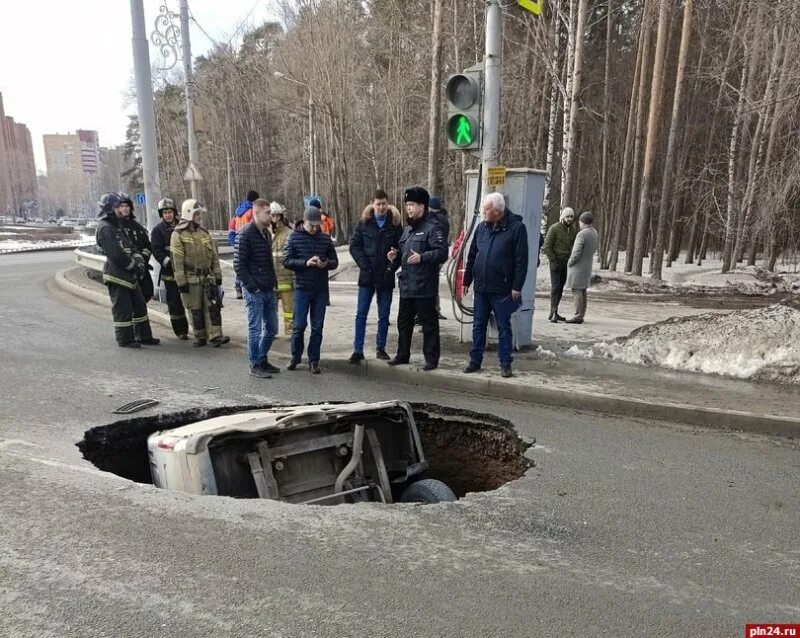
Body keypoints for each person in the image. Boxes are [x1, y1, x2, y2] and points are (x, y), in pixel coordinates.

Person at [462, 192, 528, 378]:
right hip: (481, 288)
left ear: (498, 211)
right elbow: (473, 255)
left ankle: (505, 363)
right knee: (478, 325)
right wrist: (467, 280)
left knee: (503, 327)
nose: (483, 212)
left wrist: (517, 286)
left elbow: (521, 260)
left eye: (486, 209)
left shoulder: (516, 229)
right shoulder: (482, 228)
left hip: (503, 289)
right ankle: (475, 360)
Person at [386, 186, 447, 371]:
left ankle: (431, 358)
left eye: (412, 204)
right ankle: (402, 354)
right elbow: (403, 252)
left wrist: (423, 257)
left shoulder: (433, 227)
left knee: (429, 325)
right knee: (403, 323)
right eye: (407, 205)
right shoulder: (408, 229)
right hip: (407, 286)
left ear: (422, 206)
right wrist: (395, 256)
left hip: (424, 286)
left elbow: (442, 253)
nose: (409, 208)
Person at [95, 192, 160, 348]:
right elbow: (116, 254)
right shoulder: (105, 229)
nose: (121, 210)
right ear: (110, 209)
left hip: (130, 276)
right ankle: (125, 339)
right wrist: (133, 266)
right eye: (118, 206)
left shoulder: (116, 227)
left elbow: (131, 246)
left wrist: (139, 262)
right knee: (123, 309)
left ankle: (143, 335)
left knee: (139, 306)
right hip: (117, 276)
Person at [348, 189, 402, 363]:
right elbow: (354, 246)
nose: (381, 207)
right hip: (367, 276)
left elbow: (401, 250)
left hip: (385, 276)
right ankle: (358, 350)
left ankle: (381, 348)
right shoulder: (364, 222)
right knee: (361, 314)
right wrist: (364, 265)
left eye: (384, 203)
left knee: (384, 315)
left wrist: (391, 267)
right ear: (372, 204)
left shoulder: (394, 224)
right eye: (378, 204)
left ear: (388, 203)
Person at [283, 206, 338, 373]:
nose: (315, 228)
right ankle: (295, 357)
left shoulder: (324, 238)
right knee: (299, 326)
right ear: (304, 221)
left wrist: (325, 264)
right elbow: (286, 261)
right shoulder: (294, 237)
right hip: (301, 288)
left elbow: (334, 262)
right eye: (311, 225)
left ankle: (314, 360)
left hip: (320, 289)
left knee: (317, 327)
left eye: (317, 225)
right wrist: (305, 263)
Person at [171, 199, 230, 347]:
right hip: (190, 279)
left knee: (213, 307)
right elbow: (176, 261)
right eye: (197, 214)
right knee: (195, 309)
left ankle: (216, 335)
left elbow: (214, 257)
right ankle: (200, 336)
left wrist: (217, 275)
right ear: (189, 214)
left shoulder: (204, 233)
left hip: (207, 278)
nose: (199, 217)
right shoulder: (178, 234)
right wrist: (181, 282)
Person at [234, 199, 280, 378]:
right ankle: (255, 364)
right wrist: (252, 287)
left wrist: (273, 284)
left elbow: (269, 263)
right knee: (255, 329)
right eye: (267, 212)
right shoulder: (246, 233)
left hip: (268, 288)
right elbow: (238, 264)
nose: (271, 215)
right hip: (255, 291)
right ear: (257, 213)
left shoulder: (266, 234)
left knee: (272, 328)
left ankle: (262, 358)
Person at [150, 197, 190, 340]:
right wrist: (170, 263)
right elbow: (156, 250)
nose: (168, 215)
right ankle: (181, 331)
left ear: (174, 212)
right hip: (169, 274)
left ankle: (198, 328)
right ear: (161, 214)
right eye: (165, 212)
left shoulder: (183, 226)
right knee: (175, 303)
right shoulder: (157, 231)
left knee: (192, 301)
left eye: (170, 212)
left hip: (187, 271)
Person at [116, 192, 154, 302]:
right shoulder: (115, 227)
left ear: (131, 207)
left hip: (142, 269)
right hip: (125, 272)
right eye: (122, 206)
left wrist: (142, 259)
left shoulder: (138, 227)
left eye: (126, 206)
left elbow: (147, 246)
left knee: (145, 295)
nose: (124, 209)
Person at [542, 206, 578, 322]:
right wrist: (553, 260)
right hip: (556, 263)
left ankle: (555, 311)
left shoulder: (573, 230)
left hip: (566, 263)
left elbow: (574, 245)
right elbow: (547, 246)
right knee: (555, 288)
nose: (569, 219)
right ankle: (553, 312)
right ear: (563, 217)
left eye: (571, 217)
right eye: (567, 216)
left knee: (561, 288)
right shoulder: (554, 228)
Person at [566, 211, 599, 324]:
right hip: (587, 264)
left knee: (577, 290)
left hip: (578, 266)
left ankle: (578, 315)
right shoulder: (594, 232)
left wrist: (570, 262)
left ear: (583, 222)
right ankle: (581, 314)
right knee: (583, 290)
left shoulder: (582, 234)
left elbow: (577, 251)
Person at [268, 201, 294, 335]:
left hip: (286, 278)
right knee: (271, 310)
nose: (275, 219)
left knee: (289, 309)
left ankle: (290, 331)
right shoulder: (265, 233)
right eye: (272, 216)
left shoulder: (289, 234)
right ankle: (271, 331)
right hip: (270, 280)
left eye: (277, 216)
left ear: (281, 216)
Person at [228, 190, 259, 299]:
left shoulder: (238, 213)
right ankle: (246, 287)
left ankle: (238, 288)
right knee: (246, 266)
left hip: (238, 241)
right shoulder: (252, 212)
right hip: (249, 241)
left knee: (239, 265)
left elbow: (231, 229)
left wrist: (235, 242)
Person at [428, 196, 450, 321]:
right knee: (433, 284)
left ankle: (433, 311)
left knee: (430, 285)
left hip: (433, 256)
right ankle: (436, 310)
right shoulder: (444, 219)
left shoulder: (435, 221)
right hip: (439, 256)